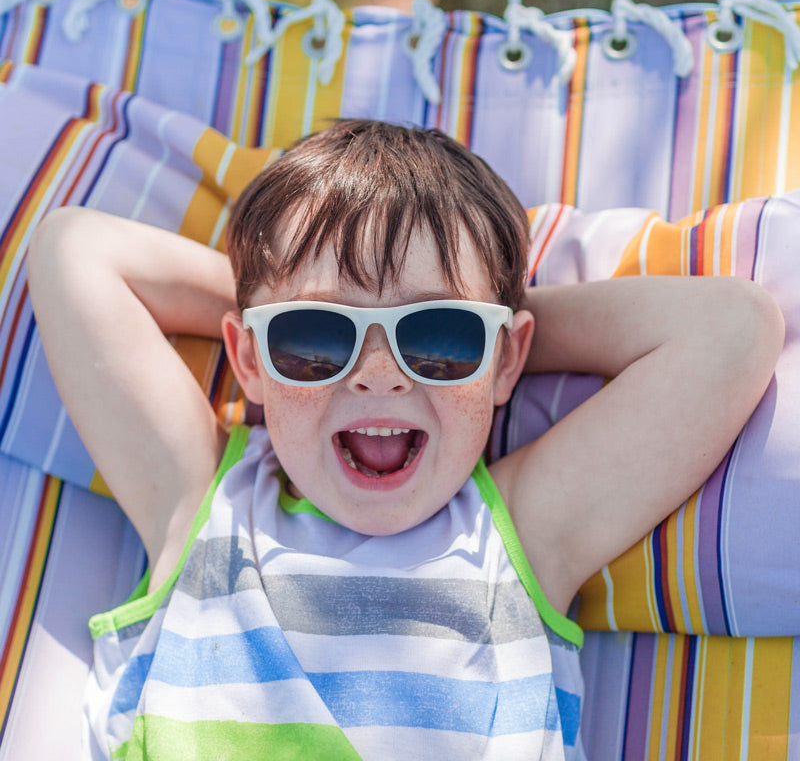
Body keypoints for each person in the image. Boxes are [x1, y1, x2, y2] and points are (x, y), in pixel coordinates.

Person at [27, 119, 783, 761]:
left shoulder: (520, 534)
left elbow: (732, 328)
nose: (379, 376)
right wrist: (283, 300)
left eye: (441, 333)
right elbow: (71, 249)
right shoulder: (202, 503)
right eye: (318, 335)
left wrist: (486, 341)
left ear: (509, 356)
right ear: (248, 359)